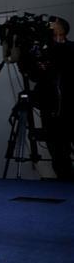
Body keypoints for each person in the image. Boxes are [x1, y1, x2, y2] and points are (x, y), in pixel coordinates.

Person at [36, 17, 74, 181]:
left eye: (53, 24)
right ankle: (64, 183)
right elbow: (33, 74)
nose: (50, 27)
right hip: (51, 111)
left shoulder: (71, 48)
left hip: (71, 107)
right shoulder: (42, 51)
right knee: (58, 153)